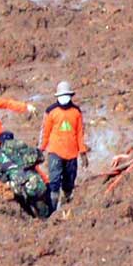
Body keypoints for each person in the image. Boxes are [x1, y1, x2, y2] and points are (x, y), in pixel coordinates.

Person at [40, 82, 85, 211]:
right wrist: (41, 149)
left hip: (72, 153)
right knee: (54, 181)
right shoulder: (51, 111)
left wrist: (83, 152)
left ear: (70, 96)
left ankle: (66, 206)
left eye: (66, 95)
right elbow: (45, 131)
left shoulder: (76, 112)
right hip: (55, 151)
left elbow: (80, 133)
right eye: (62, 95)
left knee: (69, 182)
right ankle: (52, 209)